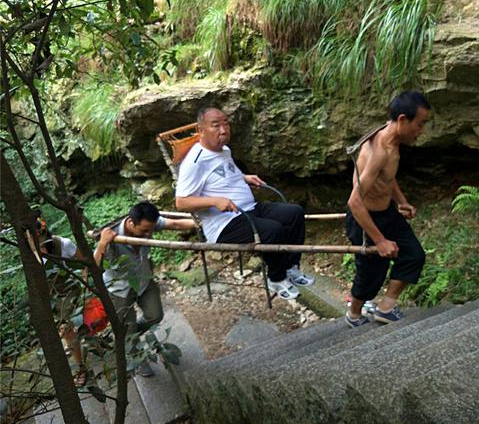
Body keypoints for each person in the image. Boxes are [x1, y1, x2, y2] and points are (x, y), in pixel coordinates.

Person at [175, 107, 315, 300]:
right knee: (272, 230)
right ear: (201, 130)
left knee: (294, 213)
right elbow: (181, 202)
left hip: (250, 209)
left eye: (225, 123)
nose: (223, 130)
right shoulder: (194, 162)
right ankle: (276, 277)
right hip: (225, 224)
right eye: (216, 125)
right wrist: (215, 201)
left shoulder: (224, 150)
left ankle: (291, 267)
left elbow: (223, 174)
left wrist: (245, 177)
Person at [345, 91, 429, 327]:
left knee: (414, 255)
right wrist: (380, 240)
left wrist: (400, 201)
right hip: (365, 219)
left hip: (387, 213)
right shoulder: (378, 152)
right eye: (420, 124)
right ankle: (354, 315)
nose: (421, 131)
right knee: (371, 274)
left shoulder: (393, 140)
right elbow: (355, 202)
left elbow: (387, 178)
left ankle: (385, 307)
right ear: (403, 120)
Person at [94, 202, 195, 377]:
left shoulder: (149, 223)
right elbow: (95, 265)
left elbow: (175, 224)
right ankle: (137, 359)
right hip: (119, 289)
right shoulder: (112, 238)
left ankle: (126, 336)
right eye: (145, 231)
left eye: (152, 229)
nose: (149, 234)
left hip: (143, 281)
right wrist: (102, 244)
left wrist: (200, 223)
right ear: (132, 223)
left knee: (155, 316)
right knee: (128, 328)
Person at [34, 212, 87, 386]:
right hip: (51, 297)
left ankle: (80, 368)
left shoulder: (62, 244)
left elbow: (84, 263)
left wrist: (86, 285)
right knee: (64, 330)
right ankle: (73, 344)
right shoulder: (29, 254)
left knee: (66, 329)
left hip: (69, 292)